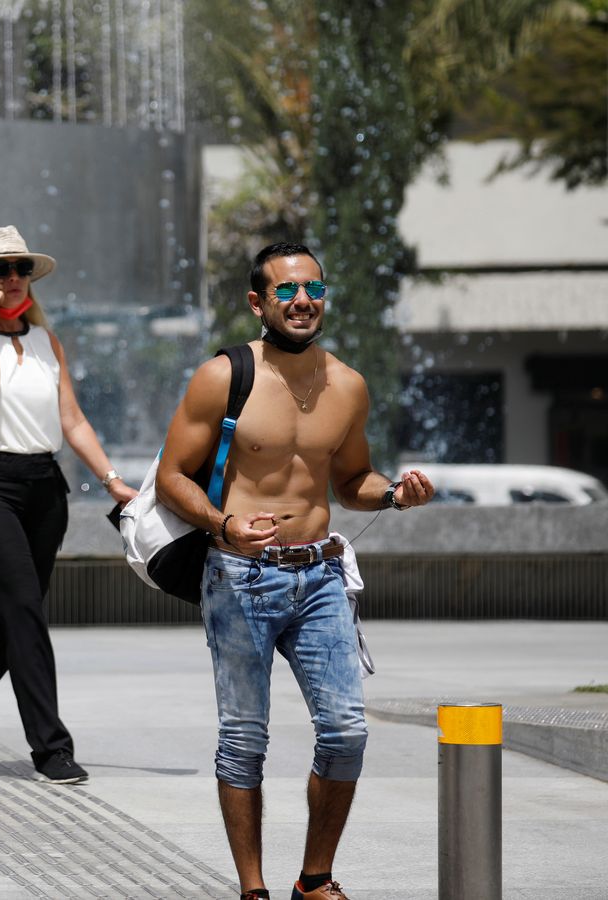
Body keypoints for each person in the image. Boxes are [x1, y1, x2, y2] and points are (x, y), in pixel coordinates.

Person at [156, 242, 434, 900]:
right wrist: (225, 525)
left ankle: (314, 879)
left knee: (346, 732)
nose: (302, 300)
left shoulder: (347, 385)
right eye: (286, 291)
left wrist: (394, 493)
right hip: (238, 576)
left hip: (320, 576)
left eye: (313, 288)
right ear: (259, 303)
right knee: (244, 737)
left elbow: (350, 480)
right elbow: (171, 476)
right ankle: (252, 889)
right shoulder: (222, 377)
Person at [0, 225, 139, 785]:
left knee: (10, 621)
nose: (13, 277)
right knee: (24, 608)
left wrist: (114, 479)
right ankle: (50, 747)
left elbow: (71, 419)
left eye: (20, 267)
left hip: (45, 488)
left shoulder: (48, 342)